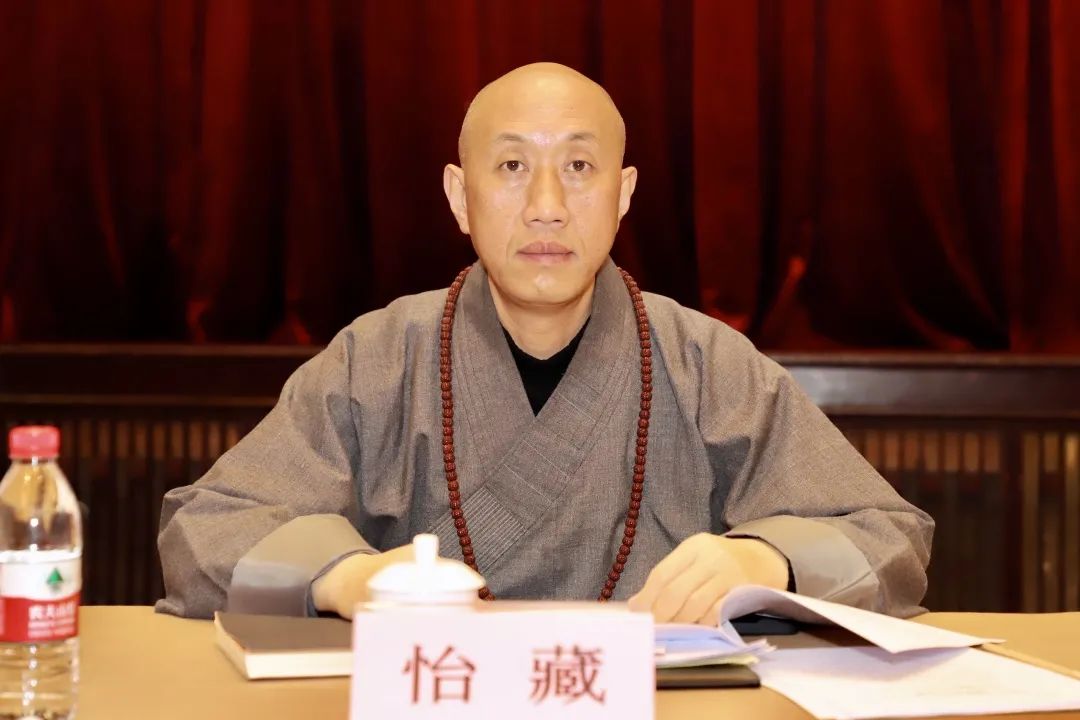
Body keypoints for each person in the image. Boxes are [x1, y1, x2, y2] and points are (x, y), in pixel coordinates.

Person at [156, 62, 933, 624]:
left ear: (623, 195)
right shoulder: (377, 359)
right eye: (512, 165)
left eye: (580, 166)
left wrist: (762, 561)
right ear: (460, 196)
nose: (547, 205)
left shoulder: (706, 364)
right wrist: (346, 579)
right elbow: (206, 531)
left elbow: (888, 537)